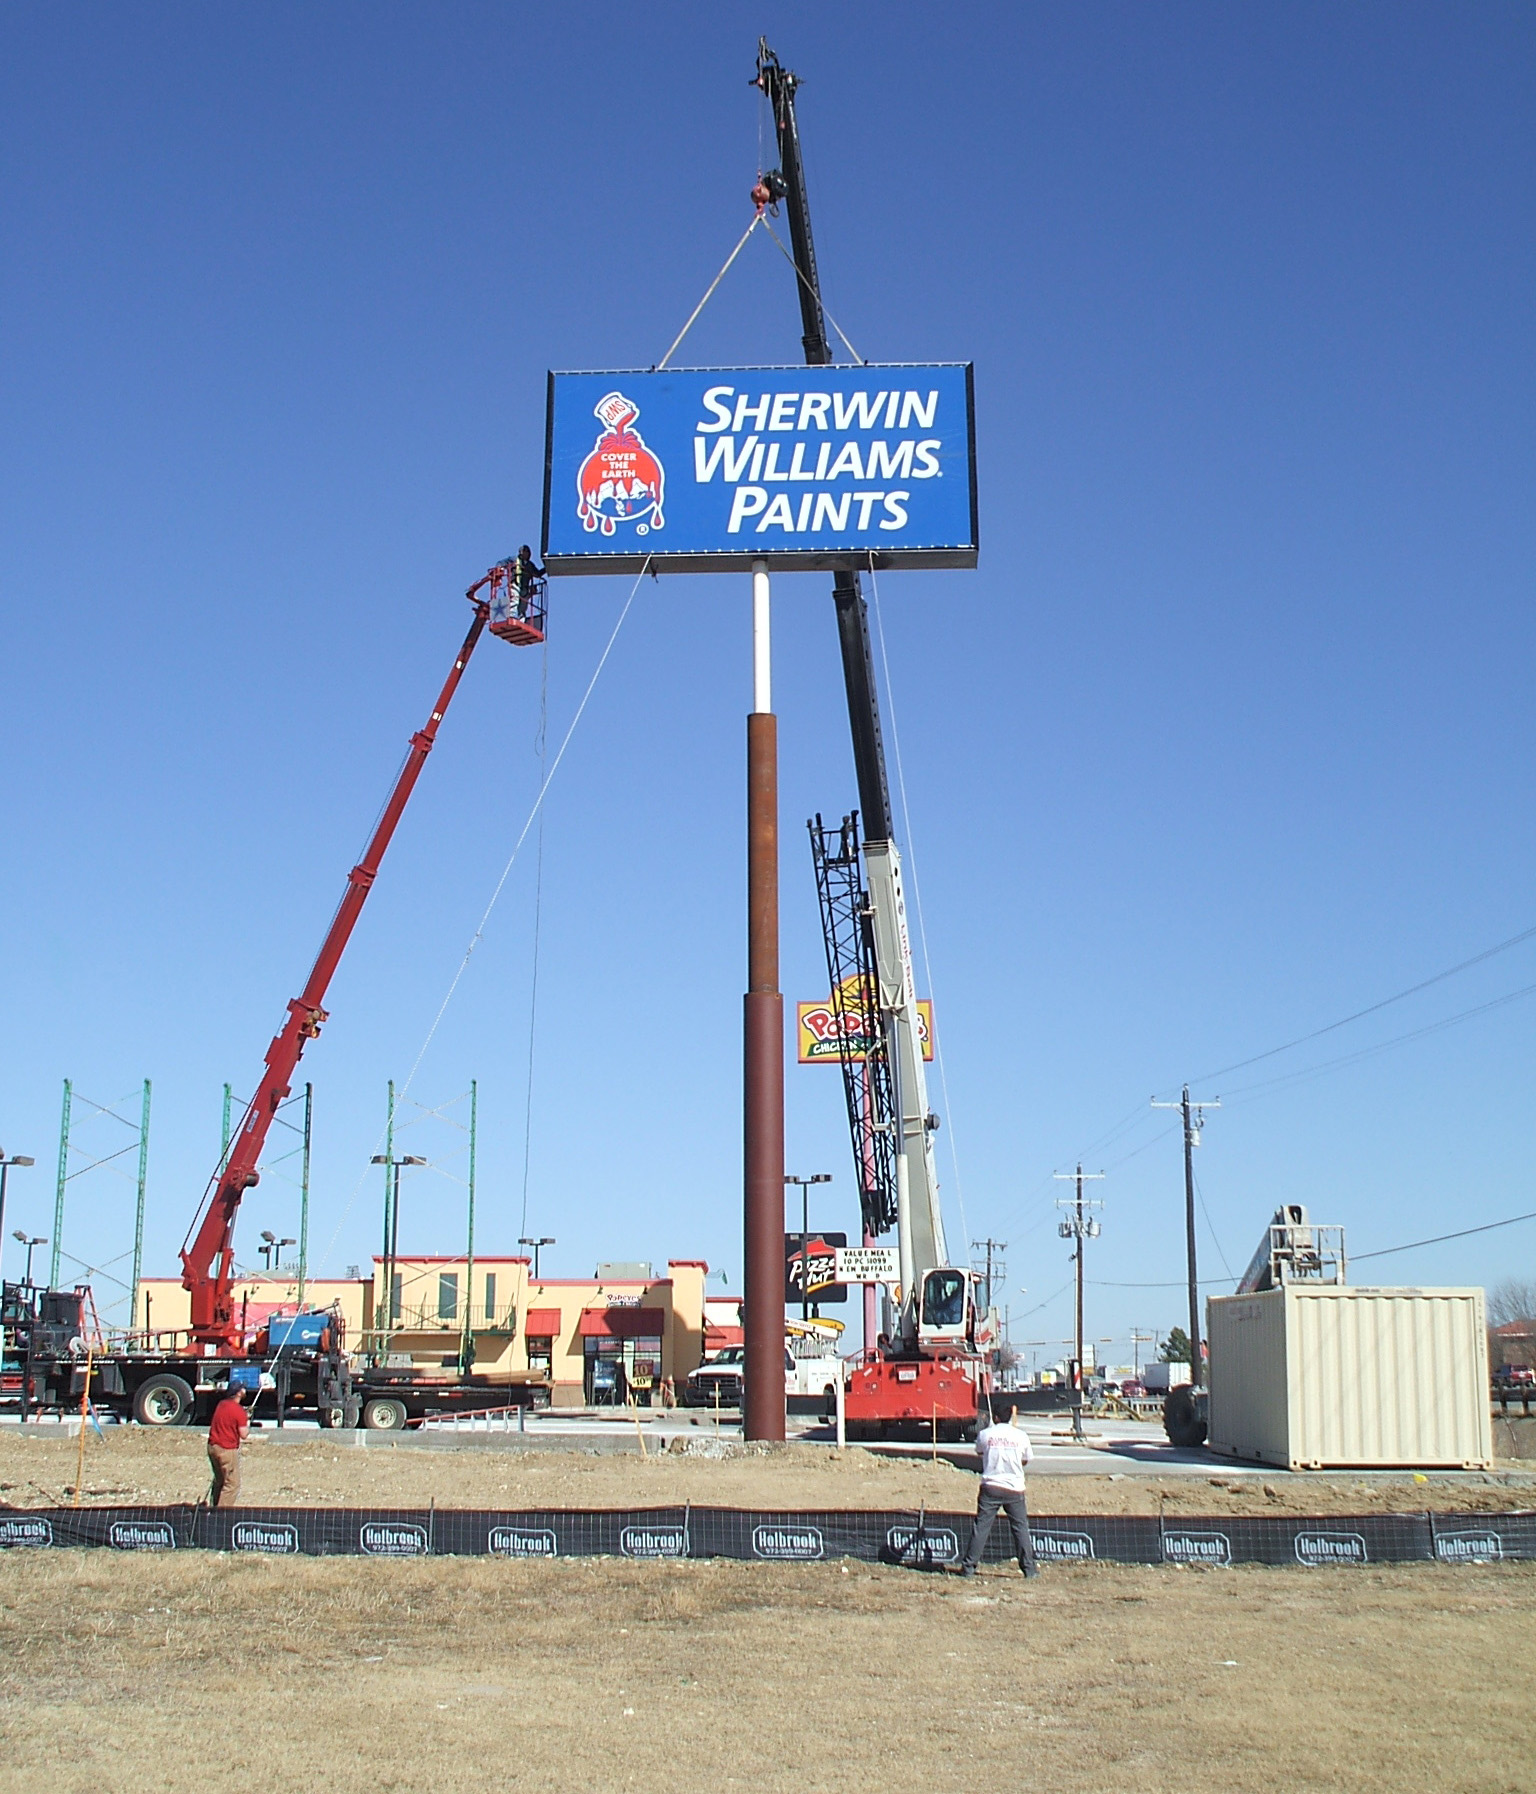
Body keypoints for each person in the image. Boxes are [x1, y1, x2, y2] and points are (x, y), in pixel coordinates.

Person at [955, 1405, 1038, 1578]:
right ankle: (1029, 1570)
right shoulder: (1021, 1436)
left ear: (996, 1418)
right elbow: (1026, 1459)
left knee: (981, 1528)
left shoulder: (985, 1434)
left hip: (991, 1486)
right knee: (1020, 1529)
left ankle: (968, 1567)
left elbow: (980, 1452)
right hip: (1014, 1487)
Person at [206, 1382, 249, 1509]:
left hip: (212, 1447)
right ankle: (221, 1513)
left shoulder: (221, 1404)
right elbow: (244, 1434)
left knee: (219, 1480)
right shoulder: (238, 1410)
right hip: (227, 1450)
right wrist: (247, 1421)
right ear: (239, 1393)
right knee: (232, 1484)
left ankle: (214, 1507)